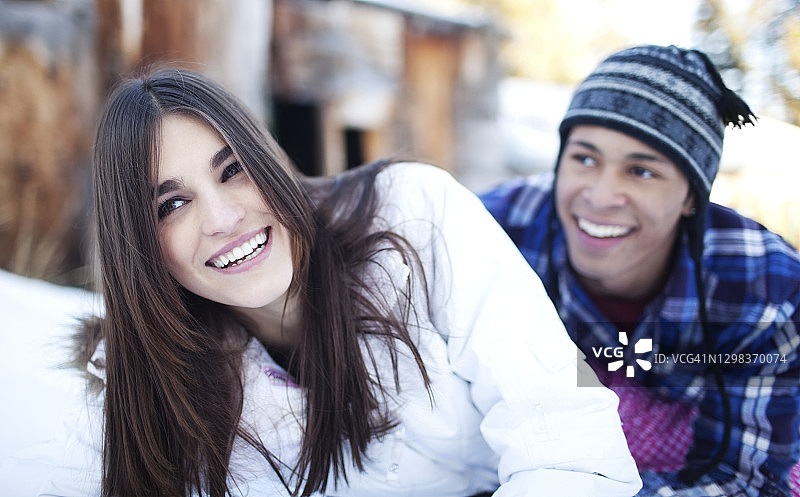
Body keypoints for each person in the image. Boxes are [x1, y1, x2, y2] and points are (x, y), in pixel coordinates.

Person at [0, 68, 643, 497]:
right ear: (140, 246)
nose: (223, 219)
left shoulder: (417, 218)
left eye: (233, 171)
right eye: (171, 204)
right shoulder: (152, 382)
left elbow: (570, 433)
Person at [480, 44, 800, 496]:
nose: (601, 195)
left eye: (642, 172)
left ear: (692, 197)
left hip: (690, 420)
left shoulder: (764, 285)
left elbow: (748, 478)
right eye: (584, 159)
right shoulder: (494, 231)